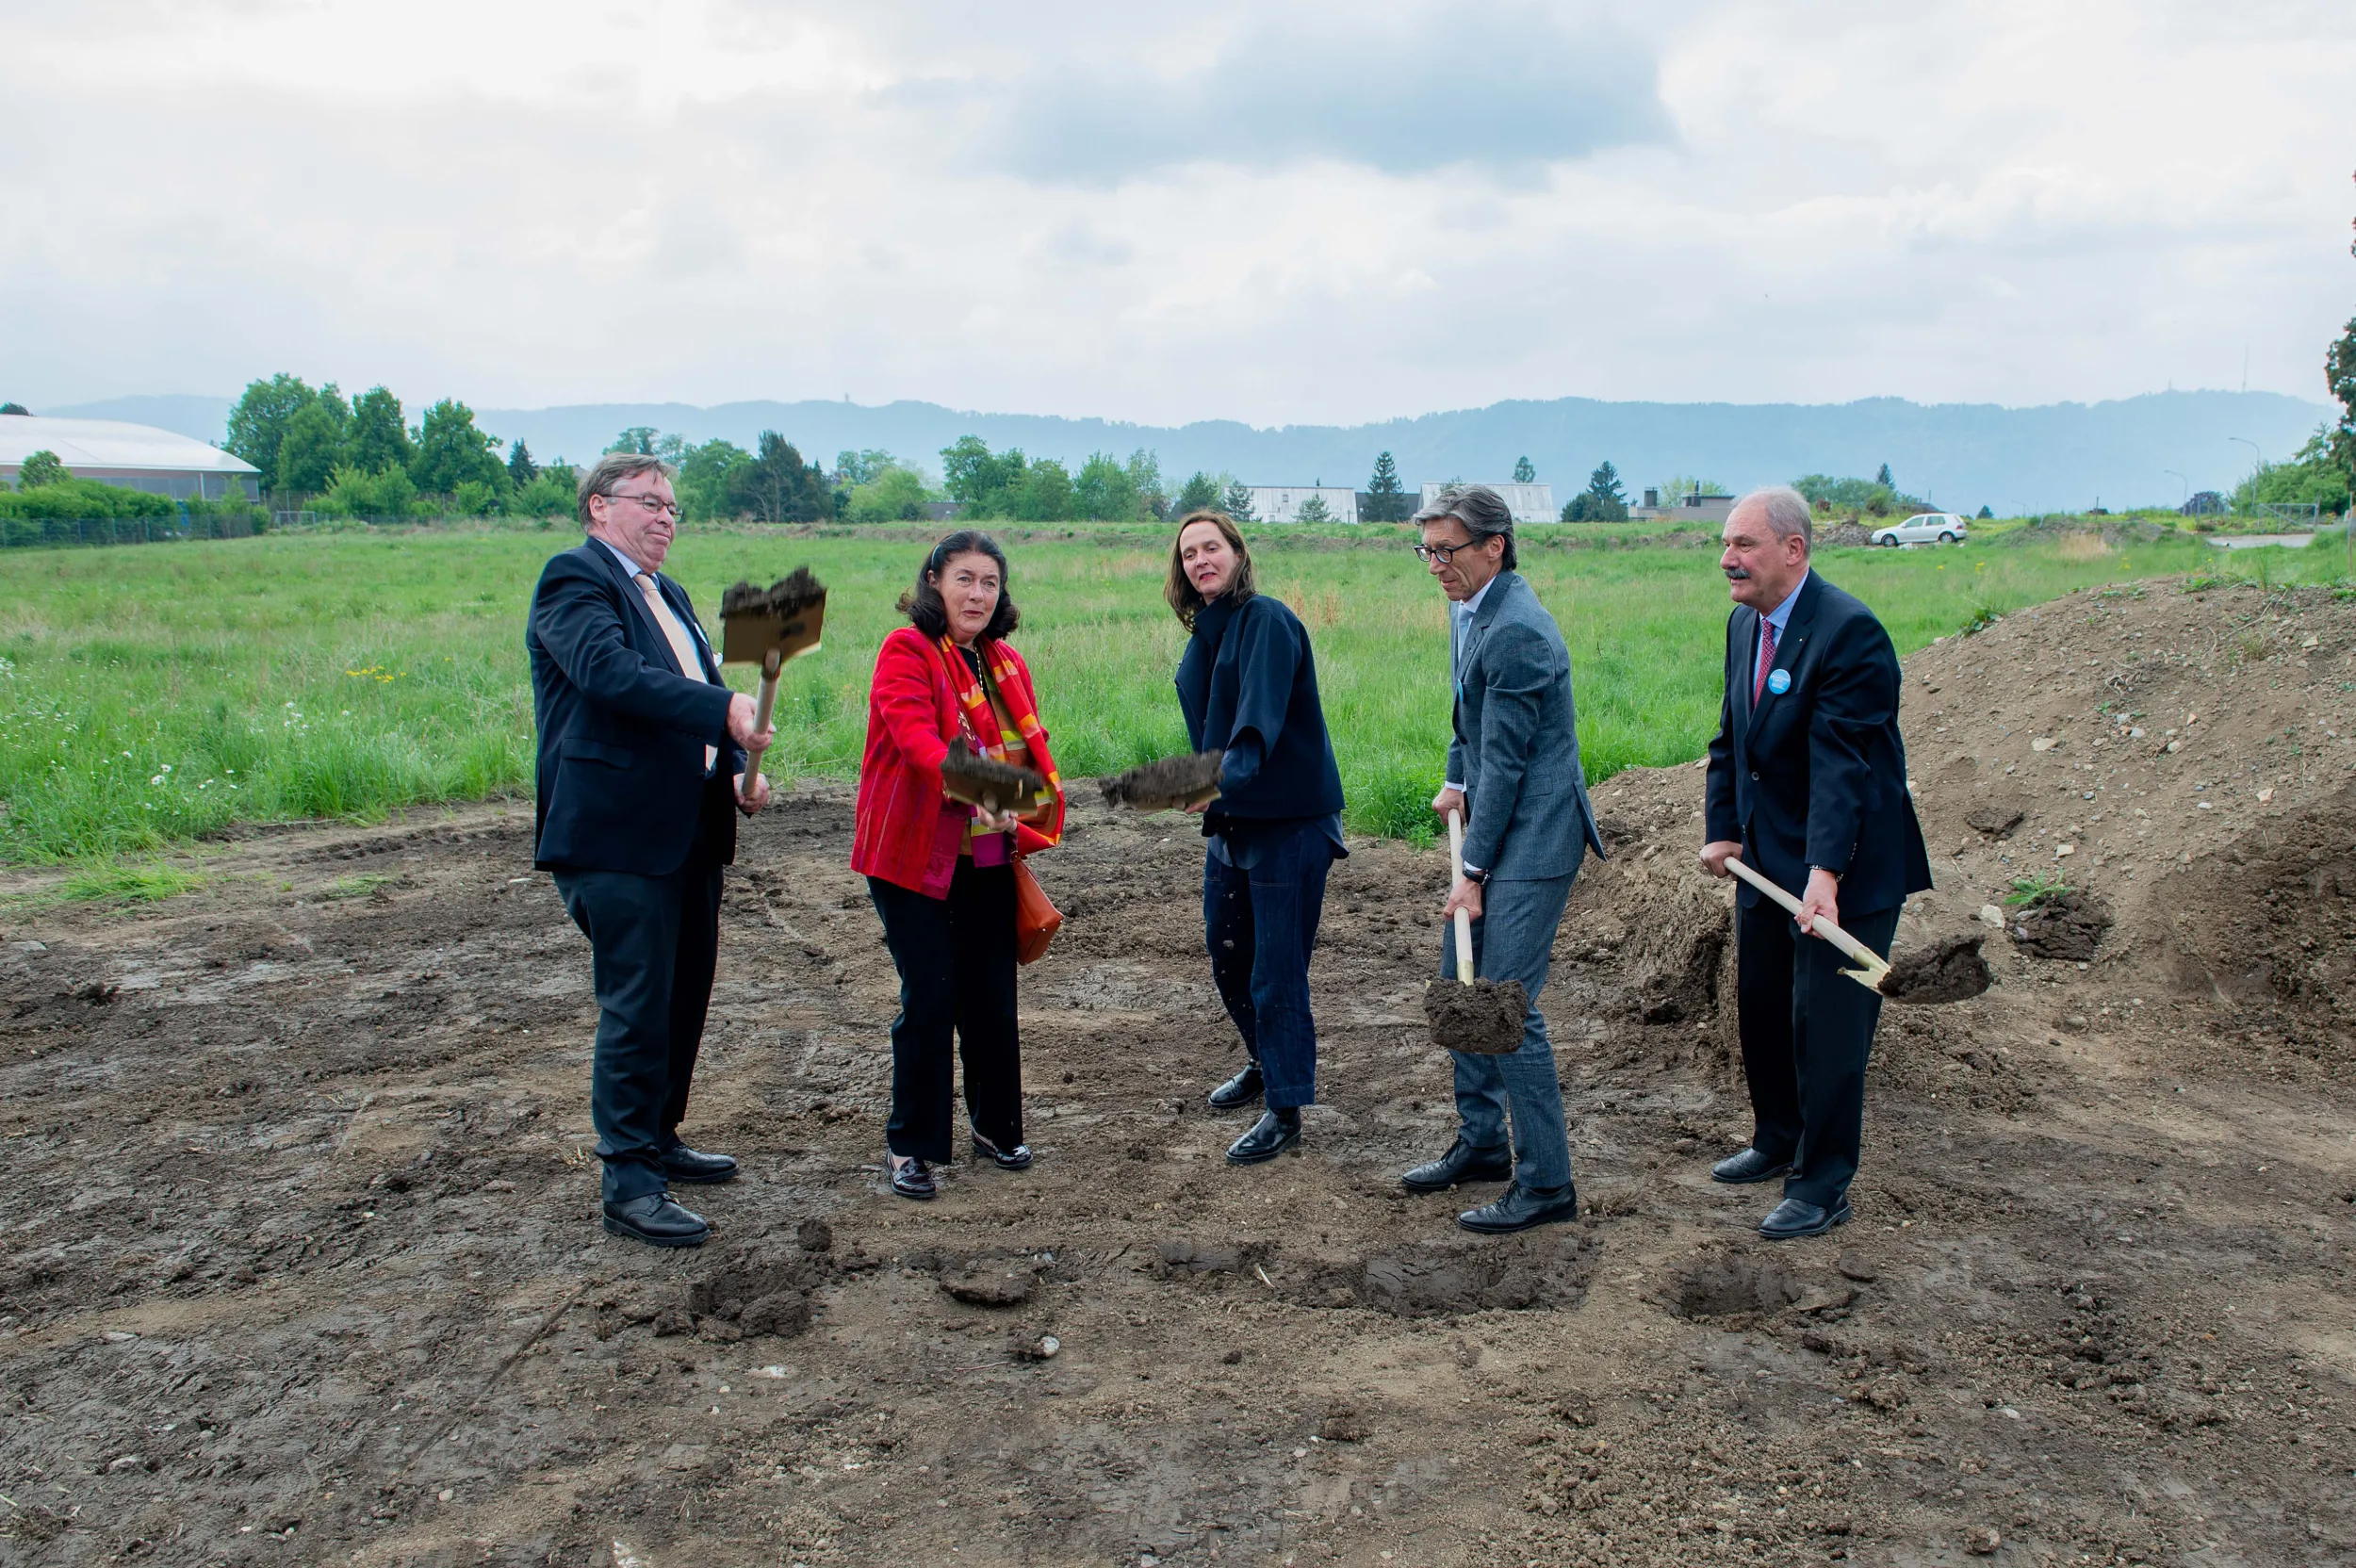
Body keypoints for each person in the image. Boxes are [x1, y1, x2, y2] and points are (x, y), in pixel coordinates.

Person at [528, 452, 776, 1249]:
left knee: (682, 994)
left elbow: (689, 703)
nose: (667, 518)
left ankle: (661, 1135)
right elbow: (609, 674)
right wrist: (723, 707)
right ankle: (628, 1179)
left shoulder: (667, 593)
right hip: (614, 832)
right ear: (600, 508)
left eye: (674, 507)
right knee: (636, 1006)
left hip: (689, 830)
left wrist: (736, 768)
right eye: (651, 503)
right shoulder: (574, 580)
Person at [1698, 486, 1932, 1239]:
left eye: (1745, 545)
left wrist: (1825, 874)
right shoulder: (1745, 624)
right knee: (1763, 1004)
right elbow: (1731, 738)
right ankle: (1777, 1139)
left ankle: (1824, 1182)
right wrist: (1725, 827)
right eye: (1726, 545)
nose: (1728, 559)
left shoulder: (1849, 632)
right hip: (1768, 858)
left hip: (1849, 866)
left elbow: (1847, 771)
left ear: (1794, 550)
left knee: (1825, 1025)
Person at [1404, 485, 1605, 1234]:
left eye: (1446, 550)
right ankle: (1484, 1142)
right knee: (1458, 981)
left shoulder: (1518, 628)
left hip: (1537, 834)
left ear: (1496, 543)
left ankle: (1548, 1183)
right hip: (1495, 816)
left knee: (1506, 1007)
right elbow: (1471, 716)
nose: (1435, 565)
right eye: (1426, 550)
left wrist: (1474, 872)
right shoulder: (1471, 607)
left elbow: (1514, 761)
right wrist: (1457, 778)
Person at [854, 531, 1066, 1200]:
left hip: (989, 852)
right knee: (932, 996)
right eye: (965, 579)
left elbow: (1031, 754)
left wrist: (1021, 801)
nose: (978, 594)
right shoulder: (906, 651)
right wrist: (984, 789)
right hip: (914, 853)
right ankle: (910, 1147)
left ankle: (996, 1127)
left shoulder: (1005, 663)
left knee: (991, 996)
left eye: (990, 583)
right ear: (934, 581)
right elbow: (916, 738)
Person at [1166, 510, 1348, 1166]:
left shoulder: (1266, 620)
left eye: (1212, 547)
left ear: (1238, 553)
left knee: (1275, 971)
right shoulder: (1208, 632)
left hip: (1289, 822)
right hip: (1234, 821)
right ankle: (1264, 1061)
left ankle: (1286, 1108)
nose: (1200, 560)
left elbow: (1255, 729)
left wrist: (1205, 781)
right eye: (1189, 553)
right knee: (1227, 955)